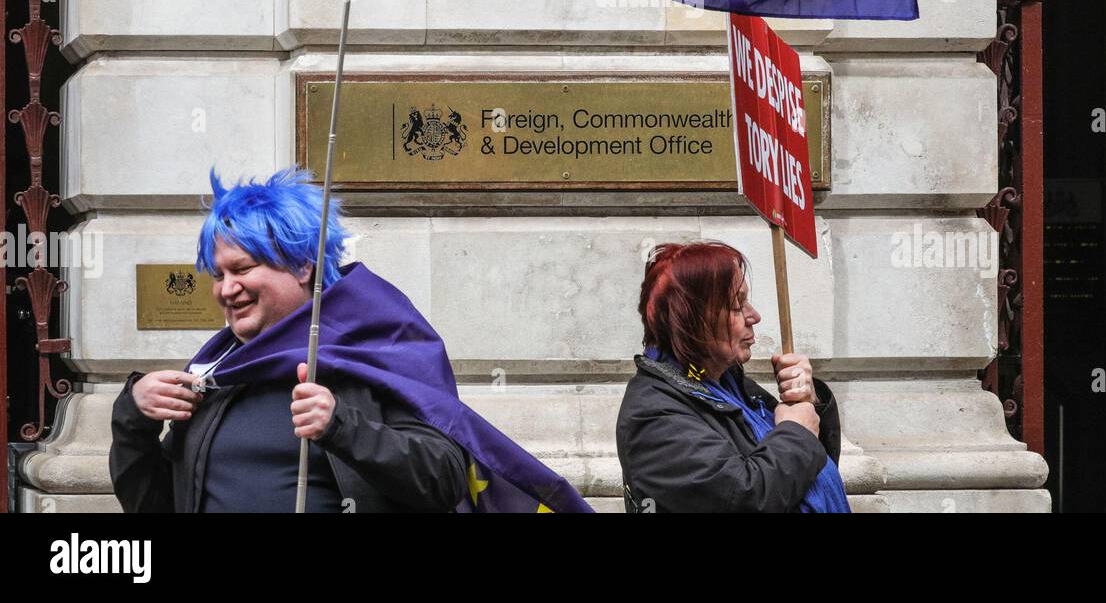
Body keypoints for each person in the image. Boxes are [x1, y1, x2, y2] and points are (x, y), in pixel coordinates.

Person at [110, 167, 590, 513]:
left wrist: (342, 427)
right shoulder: (217, 373)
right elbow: (152, 504)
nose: (226, 289)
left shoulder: (377, 344)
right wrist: (132, 415)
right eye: (217, 274)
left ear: (303, 266)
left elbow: (442, 478)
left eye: (242, 269)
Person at [617, 240, 850, 513]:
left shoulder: (728, 386)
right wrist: (797, 433)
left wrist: (810, 403)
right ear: (692, 320)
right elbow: (742, 500)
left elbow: (810, 471)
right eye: (737, 305)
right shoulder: (653, 417)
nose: (755, 316)